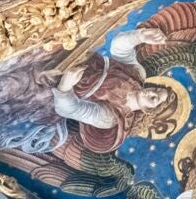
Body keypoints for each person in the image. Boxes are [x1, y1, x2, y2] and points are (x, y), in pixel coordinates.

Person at [49, 27, 187, 152]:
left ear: (148, 110)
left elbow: (70, 110)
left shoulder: (110, 117)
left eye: (154, 98)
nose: (150, 92)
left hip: (56, 76)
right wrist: (139, 36)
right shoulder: (138, 75)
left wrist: (65, 86)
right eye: (156, 89)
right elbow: (119, 48)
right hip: (81, 53)